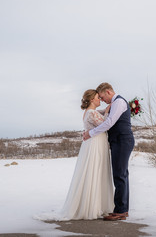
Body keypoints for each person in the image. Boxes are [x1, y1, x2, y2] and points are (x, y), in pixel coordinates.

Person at [58, 89, 114, 220]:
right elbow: (105, 125)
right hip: (95, 145)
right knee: (94, 170)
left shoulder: (91, 112)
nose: (100, 99)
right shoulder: (90, 113)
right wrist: (107, 111)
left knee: (97, 171)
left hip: (95, 143)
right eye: (97, 97)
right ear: (91, 100)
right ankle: (91, 206)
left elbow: (99, 116)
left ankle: (97, 203)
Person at [83, 83, 135, 221]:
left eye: (102, 97)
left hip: (122, 141)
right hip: (118, 141)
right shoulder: (114, 103)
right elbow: (101, 115)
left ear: (108, 92)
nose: (102, 100)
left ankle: (121, 211)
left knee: (120, 174)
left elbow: (109, 122)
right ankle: (121, 209)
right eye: (98, 97)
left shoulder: (118, 102)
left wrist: (91, 133)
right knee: (120, 174)